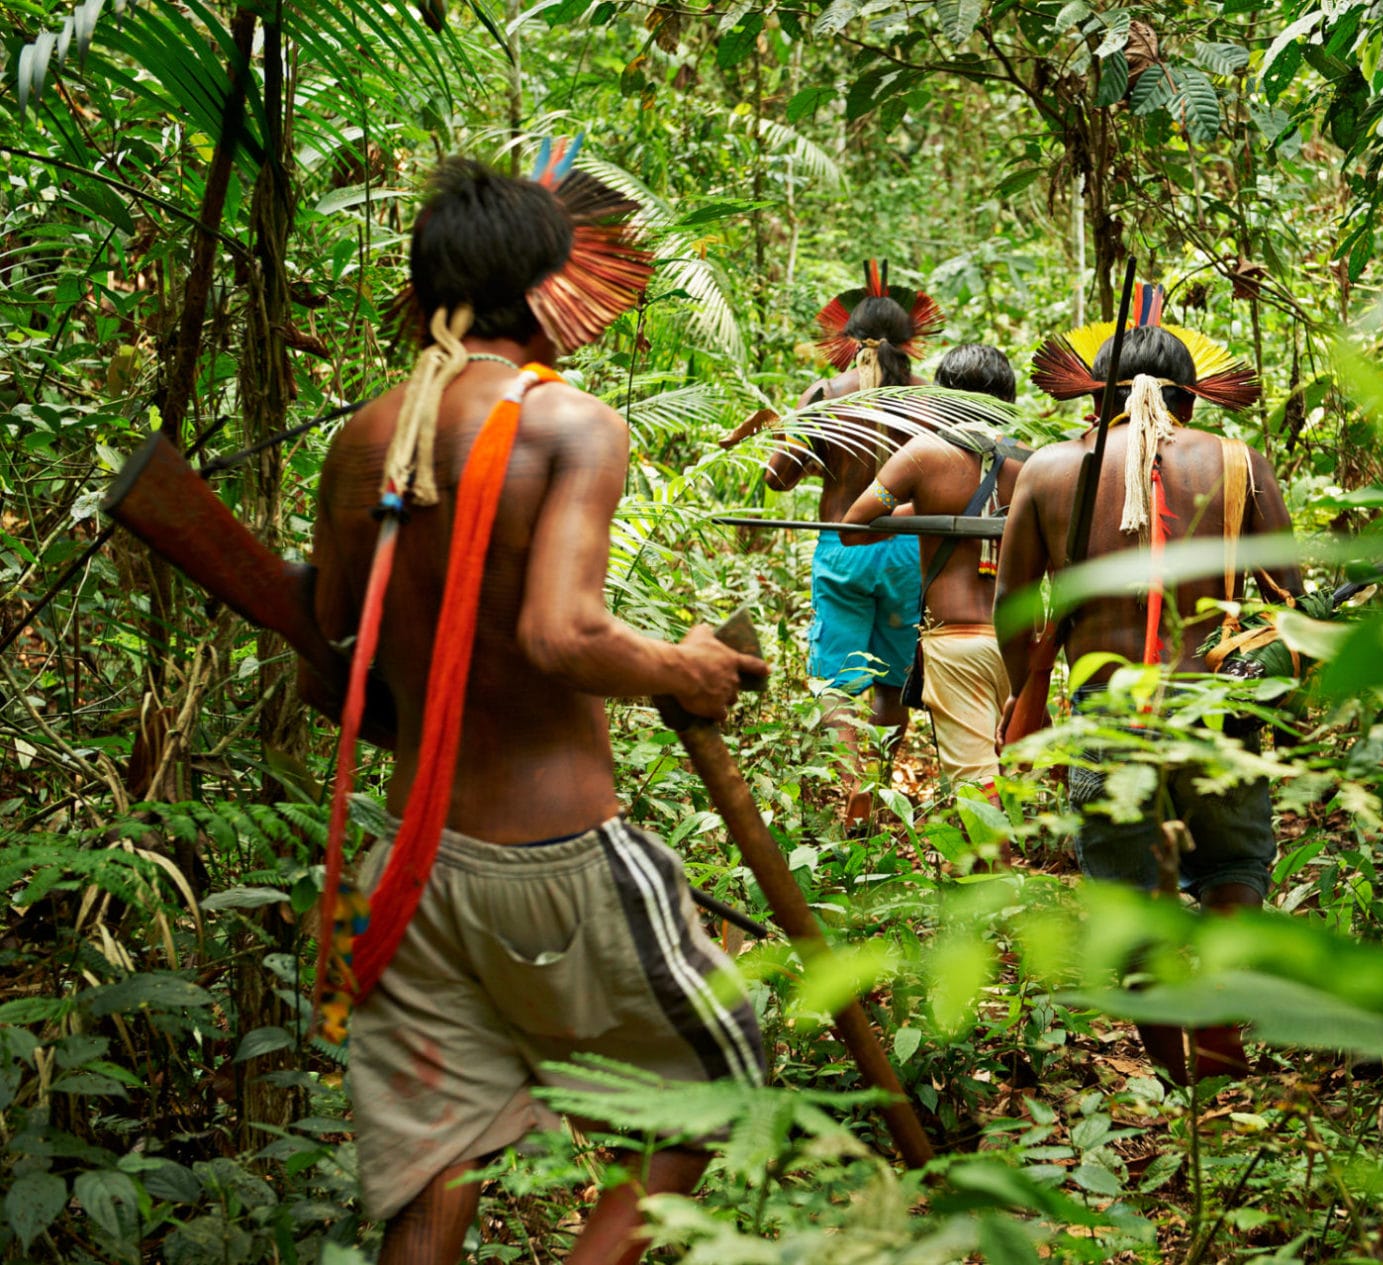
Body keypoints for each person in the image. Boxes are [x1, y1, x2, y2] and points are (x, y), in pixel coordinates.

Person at [300, 149, 769, 1265]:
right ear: (557, 286)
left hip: (410, 870)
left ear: (427, 290)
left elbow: (329, 675)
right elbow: (562, 632)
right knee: (719, 1071)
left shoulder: (362, 436)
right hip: (553, 860)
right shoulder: (570, 423)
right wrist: (685, 666)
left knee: (435, 1166)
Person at [994, 319, 1300, 1084]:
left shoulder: (1051, 470)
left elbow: (1014, 611)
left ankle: (1184, 1077)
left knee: (1128, 906)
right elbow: (1290, 606)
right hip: (1220, 710)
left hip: (1107, 715)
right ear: (1191, 399)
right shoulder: (1241, 464)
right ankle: (1222, 1062)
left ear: (1094, 396)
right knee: (1235, 870)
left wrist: (1028, 694)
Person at [764, 263, 943, 823]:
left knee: (841, 678)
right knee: (890, 680)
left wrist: (814, 451)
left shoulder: (824, 393)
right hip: (907, 551)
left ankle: (851, 791)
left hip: (842, 548)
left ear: (848, 342)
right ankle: (881, 786)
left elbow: (777, 476)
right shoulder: (932, 398)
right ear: (910, 343)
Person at [837, 344, 1029, 801]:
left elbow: (853, 529)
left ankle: (996, 871)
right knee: (1007, 778)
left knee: (978, 793)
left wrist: (924, 510)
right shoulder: (1032, 461)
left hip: (956, 644)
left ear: (945, 397)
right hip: (1019, 645)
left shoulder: (924, 454)